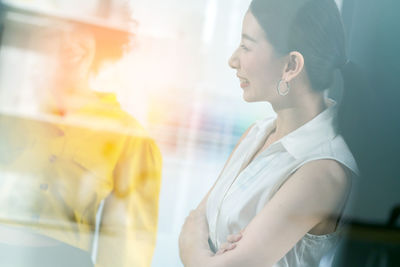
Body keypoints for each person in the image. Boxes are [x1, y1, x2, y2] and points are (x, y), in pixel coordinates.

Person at [179, 0, 369, 266]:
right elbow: (195, 218)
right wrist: (205, 250)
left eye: (246, 46)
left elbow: (204, 242)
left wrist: (194, 248)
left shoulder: (324, 170)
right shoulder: (256, 133)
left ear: (291, 65)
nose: (233, 60)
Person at [0, 16, 162, 267]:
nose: (69, 42)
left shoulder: (129, 136)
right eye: (53, 31)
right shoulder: (10, 113)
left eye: (80, 29)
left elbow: (127, 249)